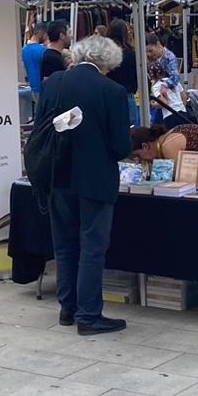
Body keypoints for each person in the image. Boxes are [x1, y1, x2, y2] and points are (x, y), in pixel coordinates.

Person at [36, 35, 132, 336]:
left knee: (64, 244)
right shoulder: (112, 91)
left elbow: (40, 127)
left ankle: (68, 307)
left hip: (57, 175)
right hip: (95, 178)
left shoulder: (53, 84)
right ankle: (89, 315)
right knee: (92, 246)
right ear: (107, 63)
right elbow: (120, 146)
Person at [106, 19, 139, 124]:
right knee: (131, 129)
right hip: (127, 95)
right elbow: (136, 76)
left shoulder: (105, 54)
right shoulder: (131, 54)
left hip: (108, 96)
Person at [145, 32, 183, 117]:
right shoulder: (153, 58)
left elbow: (175, 76)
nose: (149, 54)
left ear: (158, 45)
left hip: (171, 103)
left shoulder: (169, 56)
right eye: (147, 52)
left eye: (151, 50)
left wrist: (164, 85)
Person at [21, 25, 48, 95]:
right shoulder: (43, 50)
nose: (46, 37)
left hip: (32, 88)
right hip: (43, 88)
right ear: (40, 33)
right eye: (46, 35)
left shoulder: (24, 50)